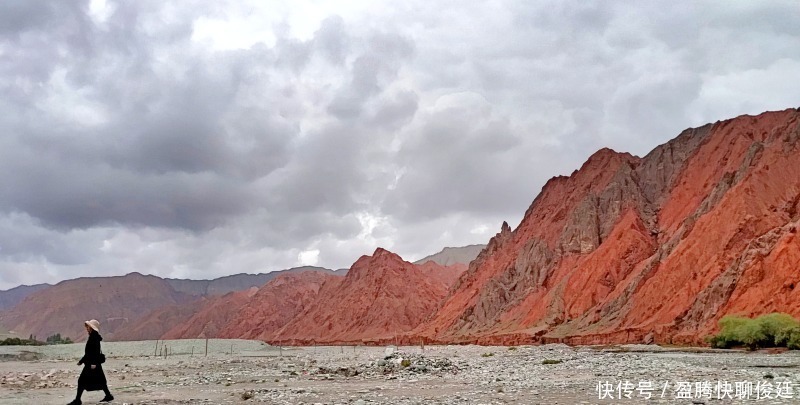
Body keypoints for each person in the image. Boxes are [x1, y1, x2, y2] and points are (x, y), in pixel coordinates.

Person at [68, 319, 114, 405]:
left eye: (88, 327)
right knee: (101, 381)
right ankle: (108, 395)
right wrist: (82, 361)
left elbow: (93, 352)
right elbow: (89, 352)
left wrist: (93, 363)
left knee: (81, 381)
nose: (87, 328)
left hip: (92, 364)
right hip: (93, 363)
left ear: (91, 328)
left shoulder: (94, 338)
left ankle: (78, 400)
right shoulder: (94, 336)